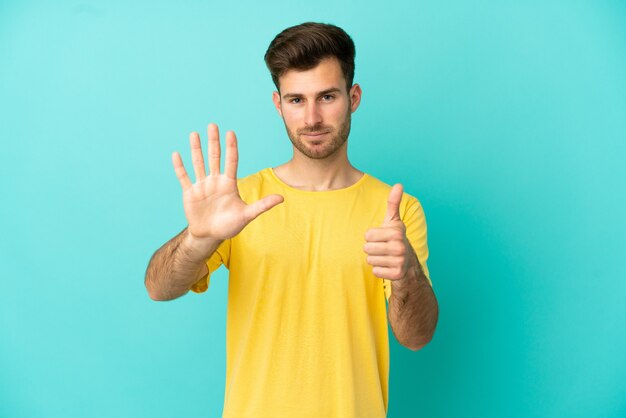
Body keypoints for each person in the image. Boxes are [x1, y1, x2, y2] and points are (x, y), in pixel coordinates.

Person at [145, 22, 439, 418]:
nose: (312, 118)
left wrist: (407, 274)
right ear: (277, 104)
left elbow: (416, 337)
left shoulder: (397, 210)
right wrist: (199, 238)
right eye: (296, 100)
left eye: (327, 97)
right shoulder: (239, 202)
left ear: (354, 98)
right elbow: (158, 288)